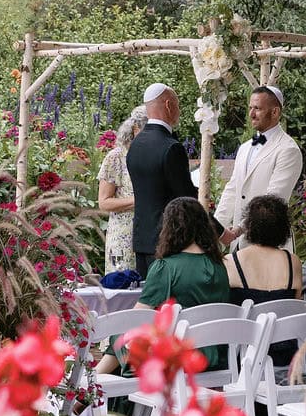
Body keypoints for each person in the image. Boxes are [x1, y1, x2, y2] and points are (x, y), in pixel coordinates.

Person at [94, 197, 231, 377]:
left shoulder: (165, 268)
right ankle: (92, 382)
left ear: (170, 228)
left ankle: (91, 383)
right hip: (217, 355)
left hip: (180, 357)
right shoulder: (219, 266)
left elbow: (137, 316)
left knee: (120, 336)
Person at [215, 85, 303, 248]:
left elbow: (273, 199)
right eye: (250, 108)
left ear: (275, 112)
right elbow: (232, 190)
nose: (251, 114)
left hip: (270, 244)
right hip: (238, 245)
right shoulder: (244, 148)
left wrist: (238, 230)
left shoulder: (288, 149)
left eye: (257, 108)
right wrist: (215, 229)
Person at [125, 82, 197, 277]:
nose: (179, 111)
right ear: (168, 105)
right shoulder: (171, 147)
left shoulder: (135, 145)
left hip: (141, 239)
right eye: (178, 105)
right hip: (168, 240)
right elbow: (186, 199)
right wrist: (219, 232)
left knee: (147, 294)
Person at [224, 194, 302, 368]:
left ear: (250, 226)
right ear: (283, 227)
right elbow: (296, 305)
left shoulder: (231, 261)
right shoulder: (293, 262)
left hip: (242, 358)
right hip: (284, 358)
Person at [96, 107, 146, 272]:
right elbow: (104, 202)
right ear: (134, 129)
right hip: (124, 237)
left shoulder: (151, 155)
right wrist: (141, 200)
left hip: (150, 234)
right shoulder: (116, 157)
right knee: (123, 282)